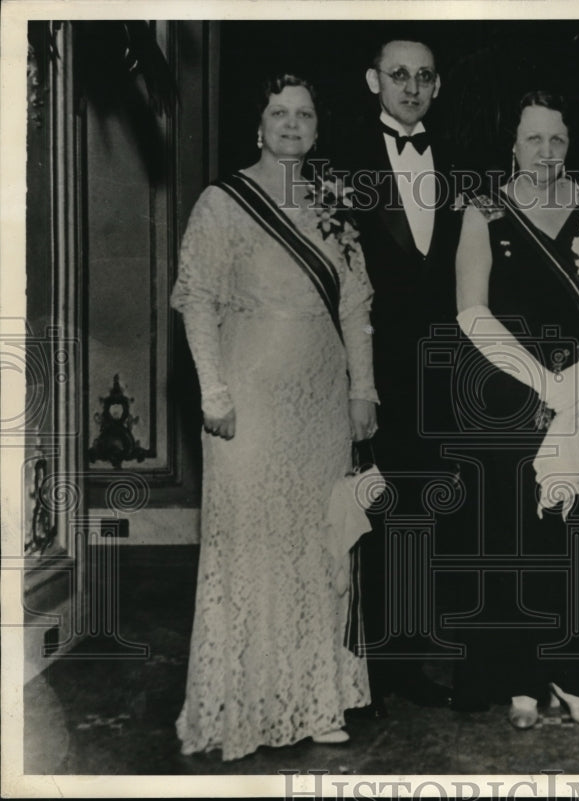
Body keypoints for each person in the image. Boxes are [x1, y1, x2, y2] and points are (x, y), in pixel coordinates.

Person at [170, 74, 378, 760]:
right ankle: (250, 705)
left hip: (321, 404)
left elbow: (355, 308)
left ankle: (318, 700)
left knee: (320, 547)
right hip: (249, 405)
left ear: (318, 128)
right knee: (256, 547)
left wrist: (364, 392)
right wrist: (213, 394)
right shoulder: (222, 203)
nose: (292, 124)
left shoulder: (334, 202)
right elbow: (197, 298)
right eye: (278, 113)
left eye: (305, 114)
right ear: (257, 126)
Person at [453, 90, 579, 729]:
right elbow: (472, 310)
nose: (546, 152)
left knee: (578, 537)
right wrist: (542, 384)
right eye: (533, 139)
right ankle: (520, 677)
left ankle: (574, 672)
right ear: (514, 145)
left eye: (557, 140)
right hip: (511, 396)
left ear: (569, 145)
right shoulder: (484, 208)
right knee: (518, 536)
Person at [340, 35, 460, 714]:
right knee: (366, 513)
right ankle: (362, 666)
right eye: (398, 75)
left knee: (420, 517)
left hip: (439, 371)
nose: (410, 87)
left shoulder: (460, 166)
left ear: (436, 87)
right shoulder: (344, 165)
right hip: (370, 371)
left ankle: (409, 660)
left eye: (423, 77)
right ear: (373, 80)